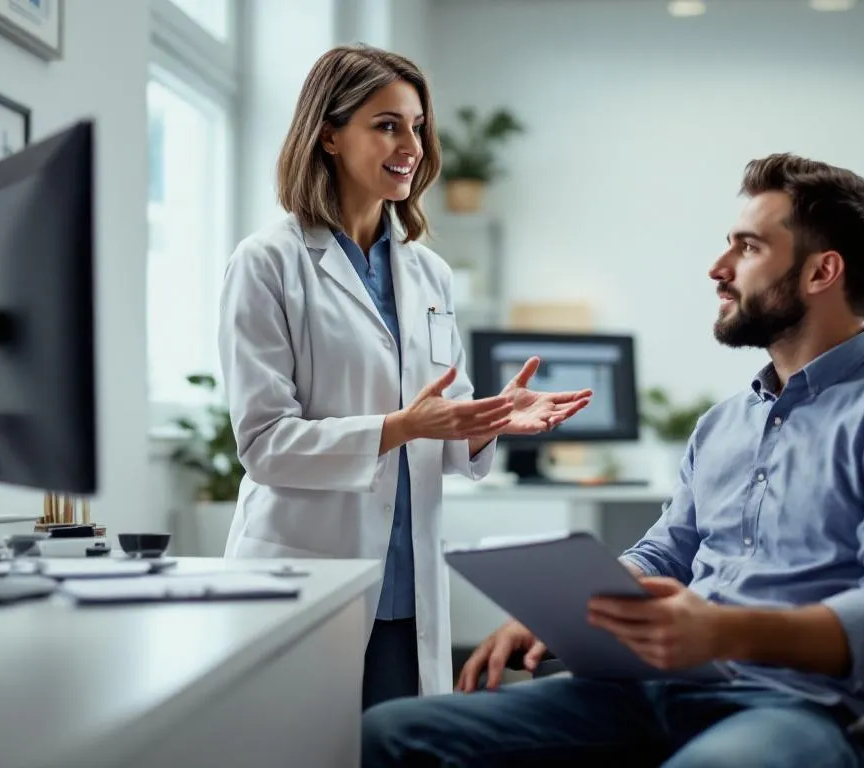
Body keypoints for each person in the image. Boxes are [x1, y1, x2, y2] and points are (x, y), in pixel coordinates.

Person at [360, 153, 864, 767]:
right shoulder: (724, 423)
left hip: (808, 708)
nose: (717, 267)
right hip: (659, 689)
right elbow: (664, 554)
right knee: (393, 733)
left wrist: (724, 631)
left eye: (748, 247)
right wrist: (567, 606)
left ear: (820, 273)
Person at [217, 44, 592, 711]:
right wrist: (400, 427)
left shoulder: (429, 274)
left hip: (407, 592)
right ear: (328, 134)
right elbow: (266, 444)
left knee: (395, 751)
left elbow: (443, 438)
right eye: (387, 124)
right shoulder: (268, 263)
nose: (411, 144)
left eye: (416, 126)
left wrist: (491, 420)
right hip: (307, 571)